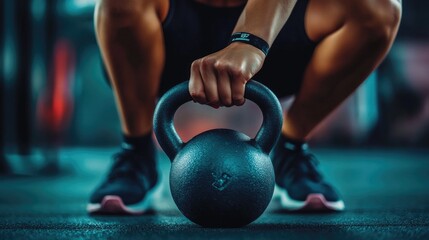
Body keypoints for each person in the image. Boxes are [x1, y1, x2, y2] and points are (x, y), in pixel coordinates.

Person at [87, 0, 402, 214]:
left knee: (378, 8)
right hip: (169, 31)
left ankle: (291, 150)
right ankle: (136, 153)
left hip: (274, 29)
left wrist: (250, 41)